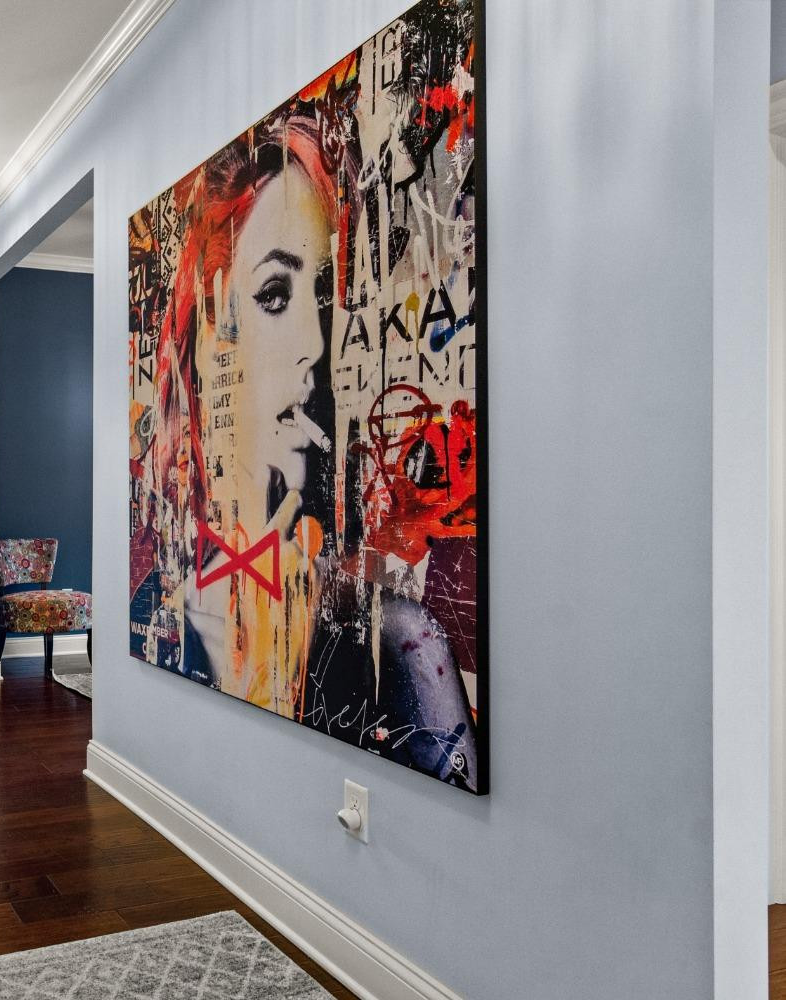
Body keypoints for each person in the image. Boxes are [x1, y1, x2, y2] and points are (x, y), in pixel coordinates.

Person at [153, 96, 480, 791]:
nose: (313, 344)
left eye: (324, 295)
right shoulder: (157, 613)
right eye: (275, 294)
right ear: (207, 330)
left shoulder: (395, 646)